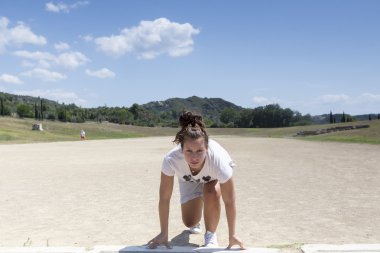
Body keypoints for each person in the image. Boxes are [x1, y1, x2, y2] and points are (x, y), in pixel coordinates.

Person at [147, 111, 245, 249]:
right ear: (181, 149)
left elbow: (230, 201)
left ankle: (210, 236)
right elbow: (164, 198)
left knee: (211, 192)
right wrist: (164, 233)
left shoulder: (219, 160)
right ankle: (198, 207)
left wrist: (232, 234)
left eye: (199, 151)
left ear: (206, 148)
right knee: (189, 222)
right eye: (189, 151)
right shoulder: (171, 160)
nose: (194, 158)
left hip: (211, 178)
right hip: (188, 179)